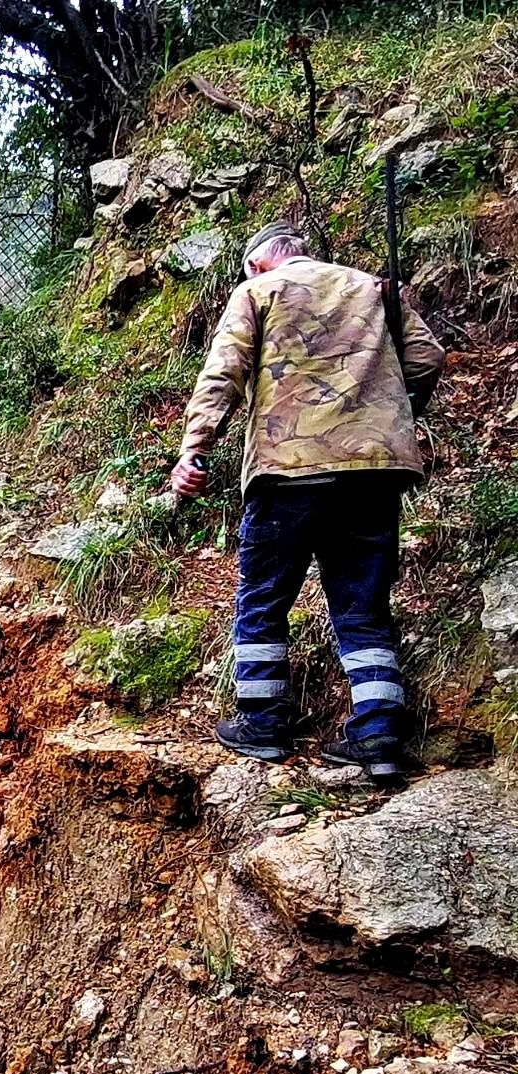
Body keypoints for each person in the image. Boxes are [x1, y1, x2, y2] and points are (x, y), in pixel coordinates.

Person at [170, 220, 446, 784]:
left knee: (265, 597)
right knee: (362, 603)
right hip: (373, 470)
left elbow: (223, 376)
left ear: (256, 263)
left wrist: (193, 453)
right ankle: (378, 733)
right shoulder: (372, 288)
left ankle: (263, 723)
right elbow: (426, 359)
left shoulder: (256, 292)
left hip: (287, 469)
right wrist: (390, 413)